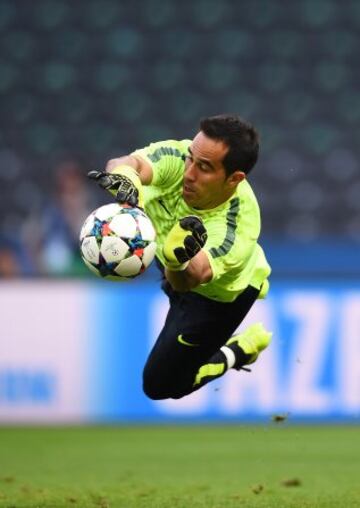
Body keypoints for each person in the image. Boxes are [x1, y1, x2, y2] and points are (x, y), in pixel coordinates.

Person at [88, 114, 272, 400]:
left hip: (216, 298)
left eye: (205, 168)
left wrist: (176, 261)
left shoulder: (236, 226)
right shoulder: (179, 155)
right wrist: (126, 180)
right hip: (174, 262)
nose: (189, 173)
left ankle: (237, 351)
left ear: (234, 179)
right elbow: (126, 163)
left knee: (160, 385)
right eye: (191, 159)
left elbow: (190, 279)